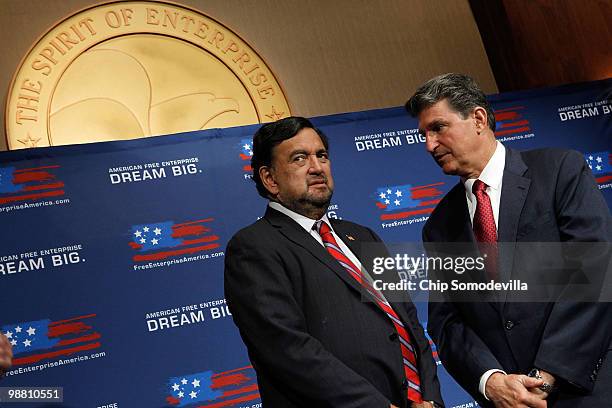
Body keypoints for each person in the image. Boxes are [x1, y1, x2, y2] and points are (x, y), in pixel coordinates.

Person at [405, 73, 612, 408]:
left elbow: (595, 270)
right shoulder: (439, 226)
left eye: (438, 128)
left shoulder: (559, 170)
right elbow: (448, 323)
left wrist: (545, 378)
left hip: (590, 390)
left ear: (478, 119)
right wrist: (492, 381)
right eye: (424, 135)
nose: (429, 145)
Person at [224, 116, 443, 408]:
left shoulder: (362, 235)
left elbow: (409, 323)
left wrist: (430, 399)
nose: (316, 167)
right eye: (299, 158)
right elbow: (287, 350)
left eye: (321, 155)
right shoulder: (254, 247)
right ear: (270, 179)